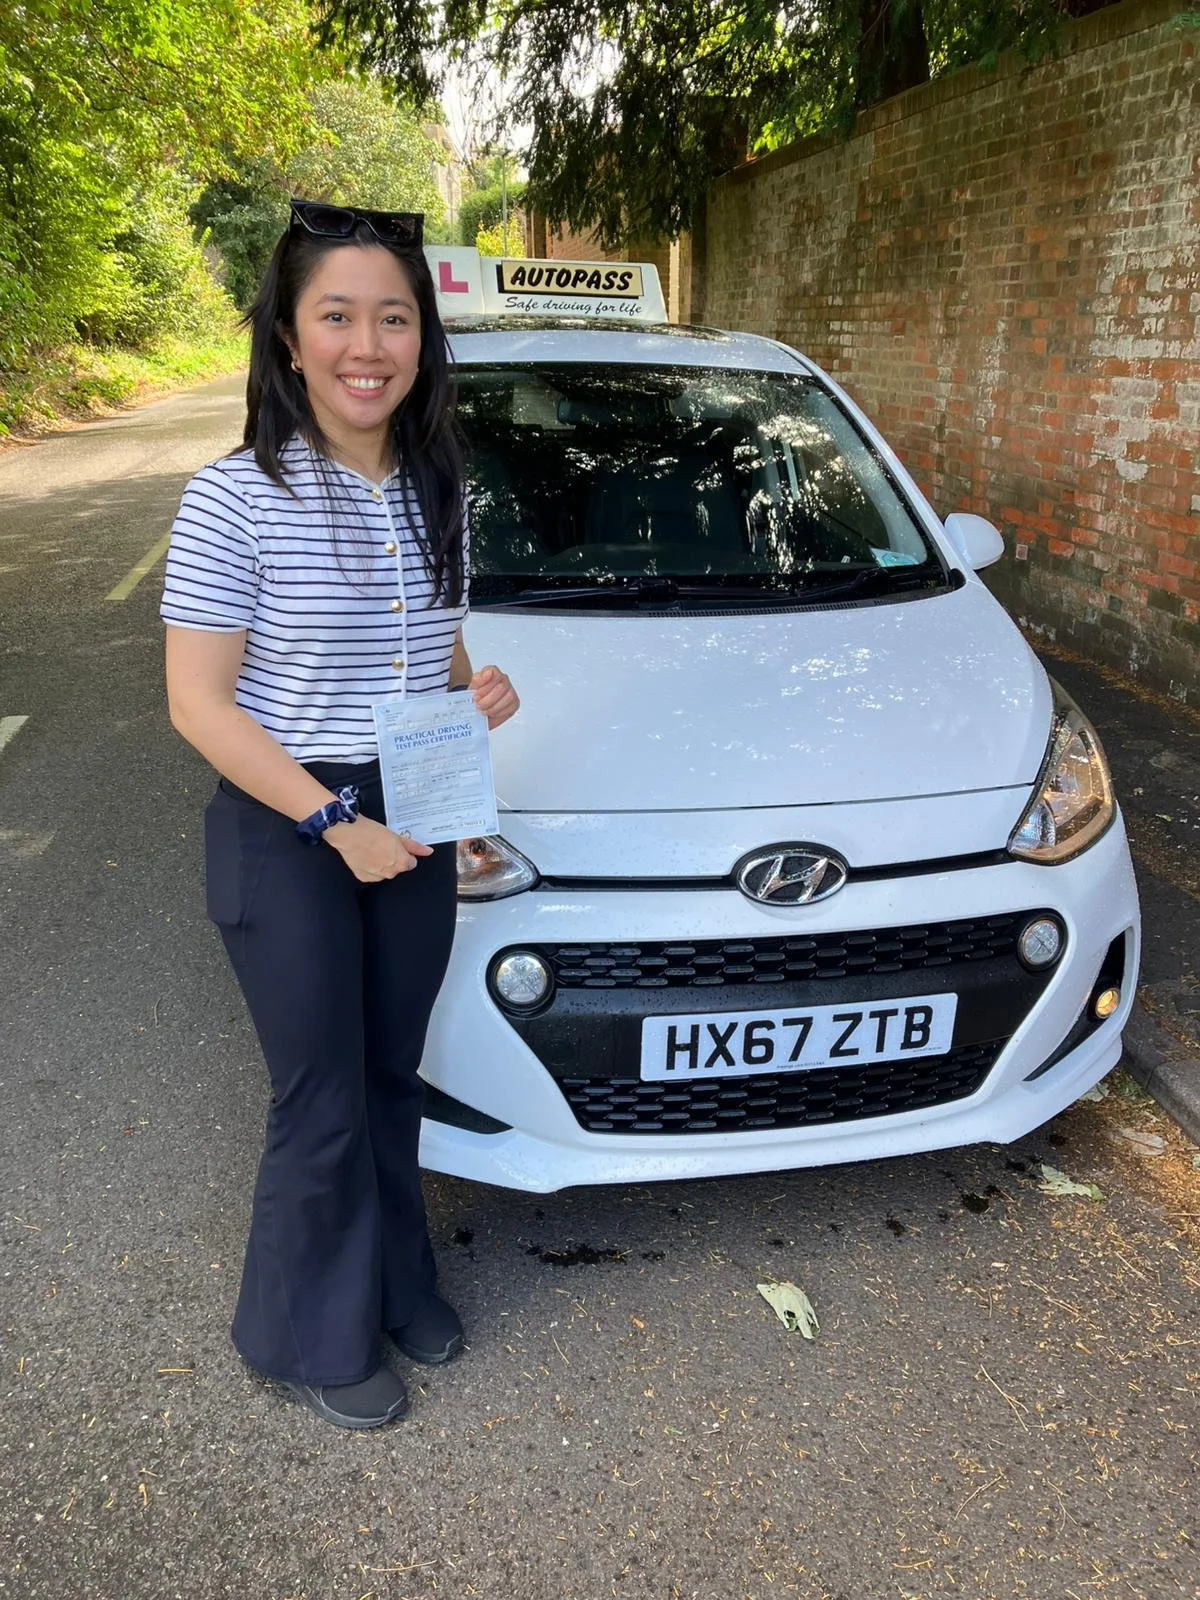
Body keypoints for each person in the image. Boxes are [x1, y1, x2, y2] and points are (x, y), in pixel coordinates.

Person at [160, 199, 518, 1430]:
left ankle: (396, 1283)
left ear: (422, 338)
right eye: (337, 316)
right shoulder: (233, 499)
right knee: (317, 1092)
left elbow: (434, 652)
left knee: (386, 1073)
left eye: (394, 317)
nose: (369, 344)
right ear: (290, 339)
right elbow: (201, 707)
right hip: (287, 822)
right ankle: (302, 1333)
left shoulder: (435, 487)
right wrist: (331, 824)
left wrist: (471, 709)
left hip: (407, 809)